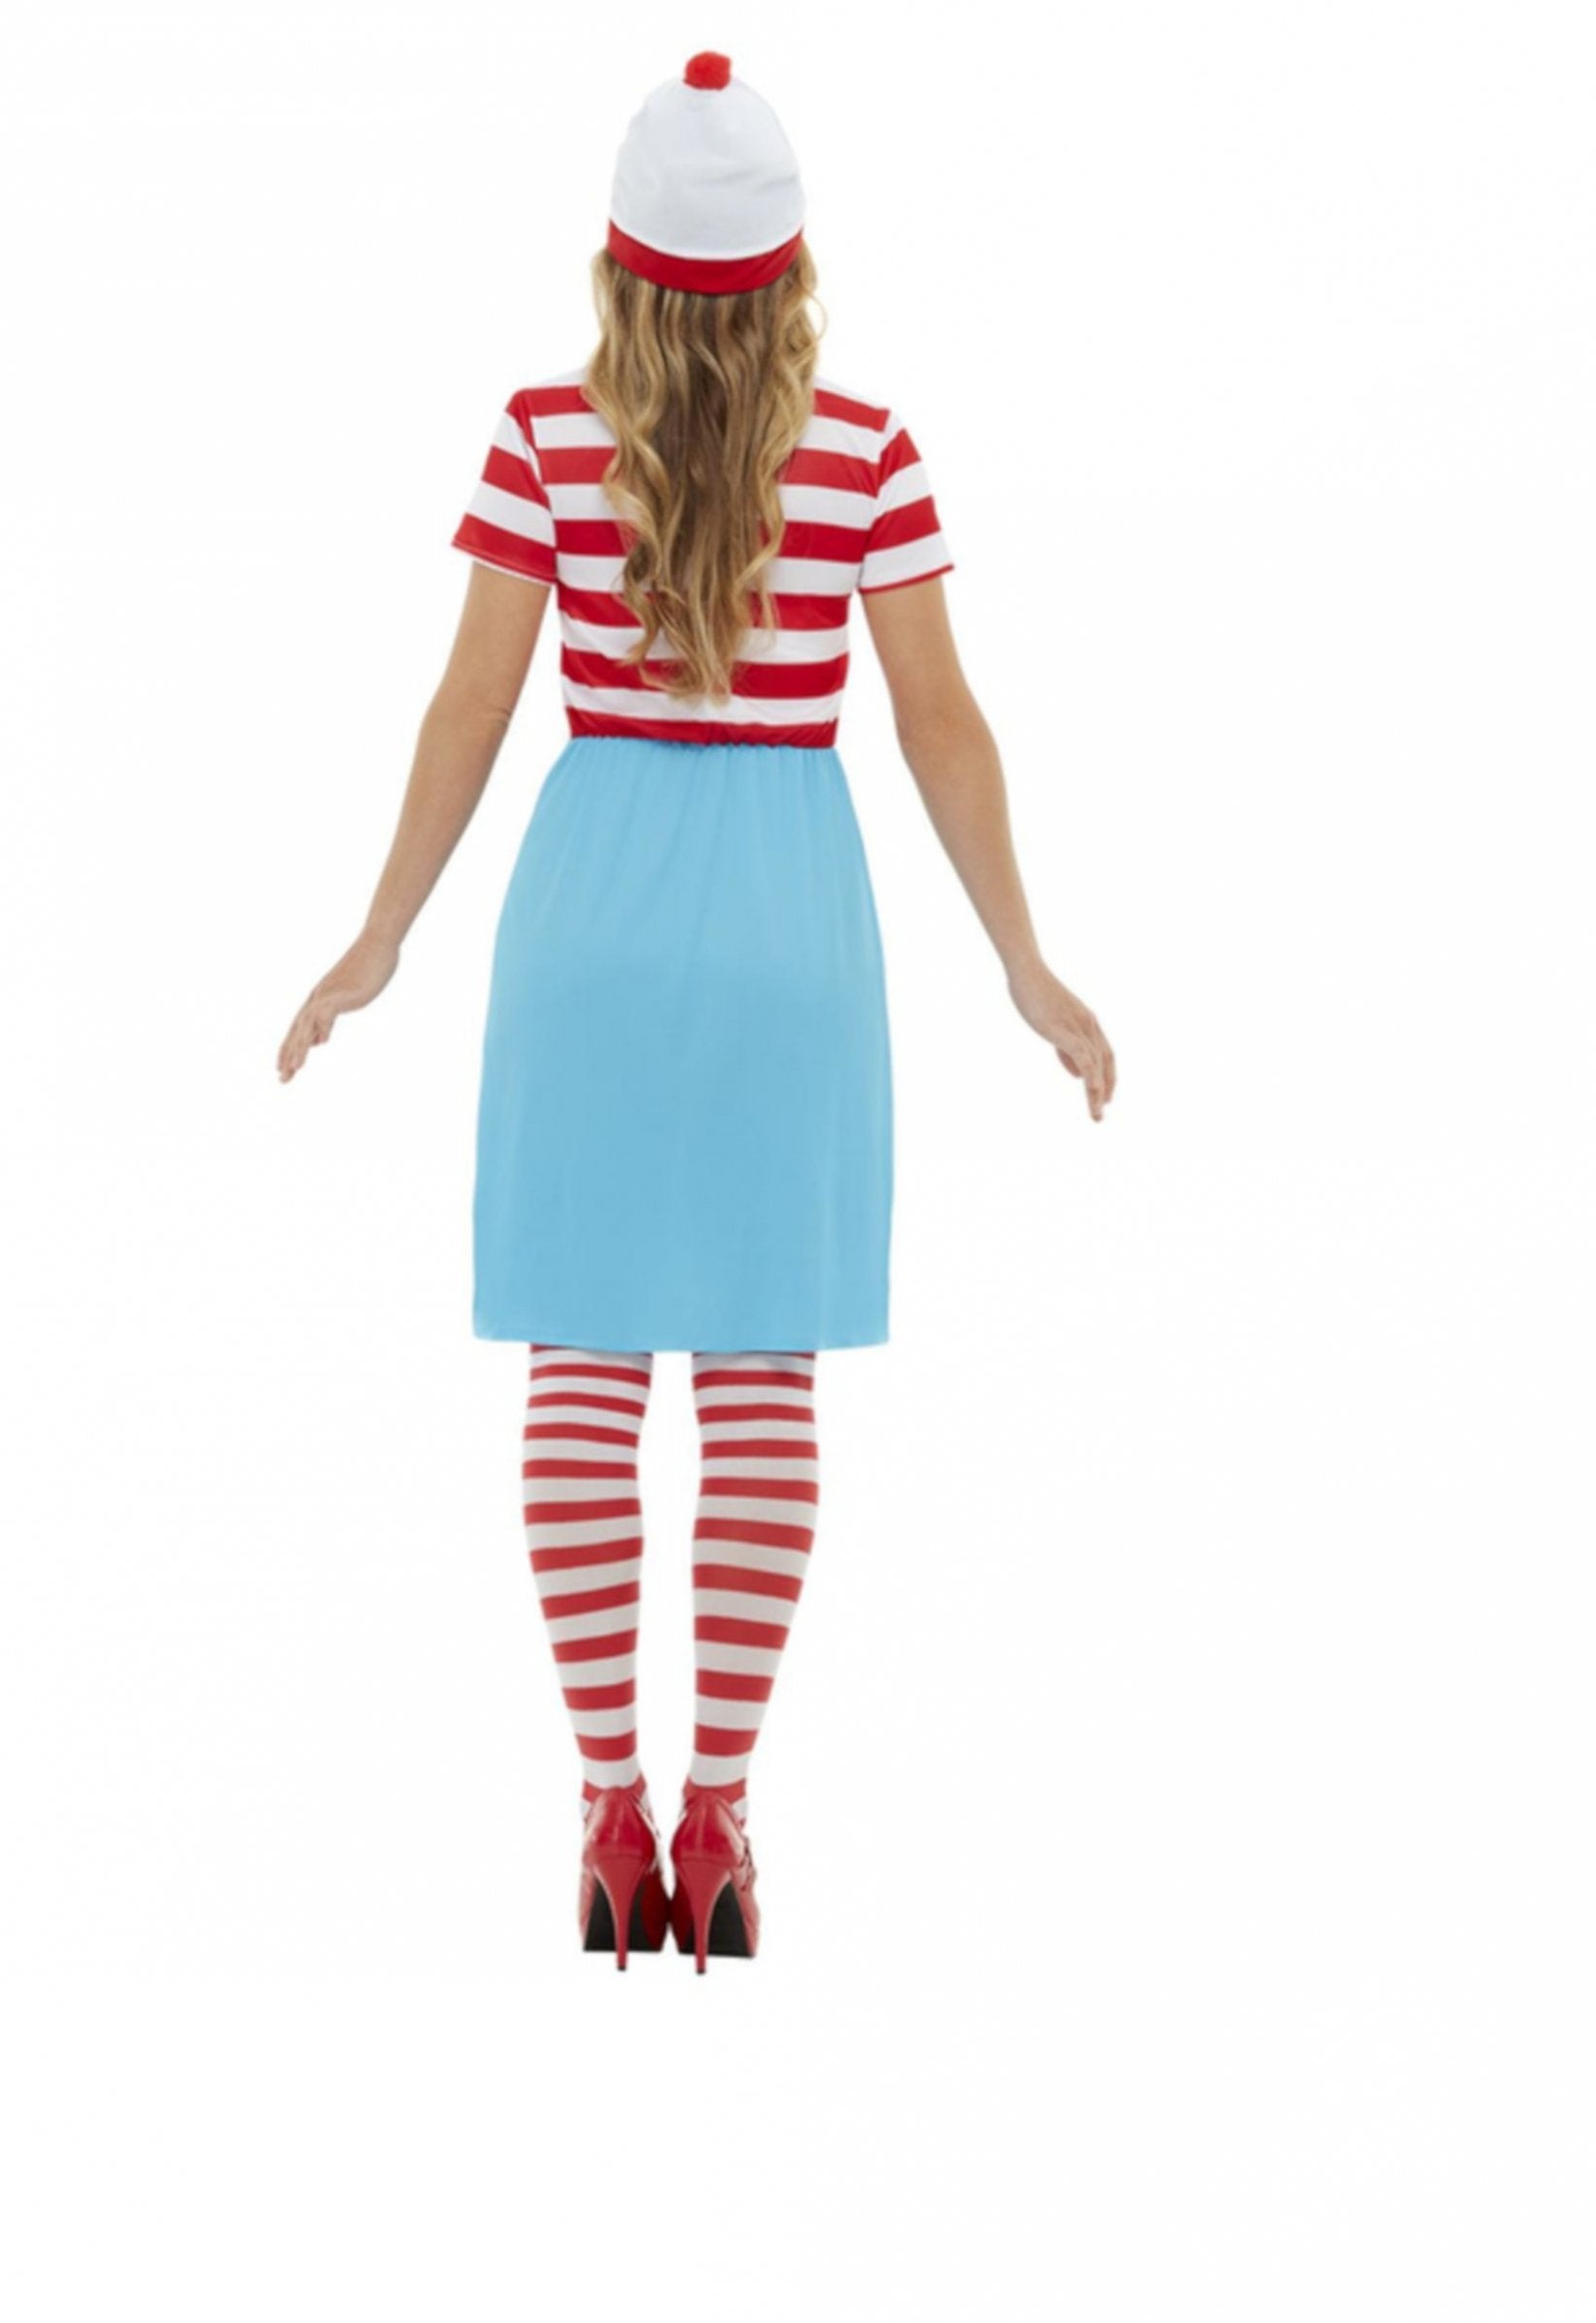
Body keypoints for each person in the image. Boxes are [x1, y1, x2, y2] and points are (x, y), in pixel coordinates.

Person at [277, 52, 1116, 1974]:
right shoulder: (870, 449)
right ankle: (721, 1812)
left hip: (587, 918)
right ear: (794, 268)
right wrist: (1024, 960)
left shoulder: (542, 438)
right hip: (788, 927)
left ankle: (607, 1808)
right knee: (757, 1376)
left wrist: (380, 932)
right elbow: (941, 721)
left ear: (618, 262)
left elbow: (473, 705)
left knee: (584, 1363)